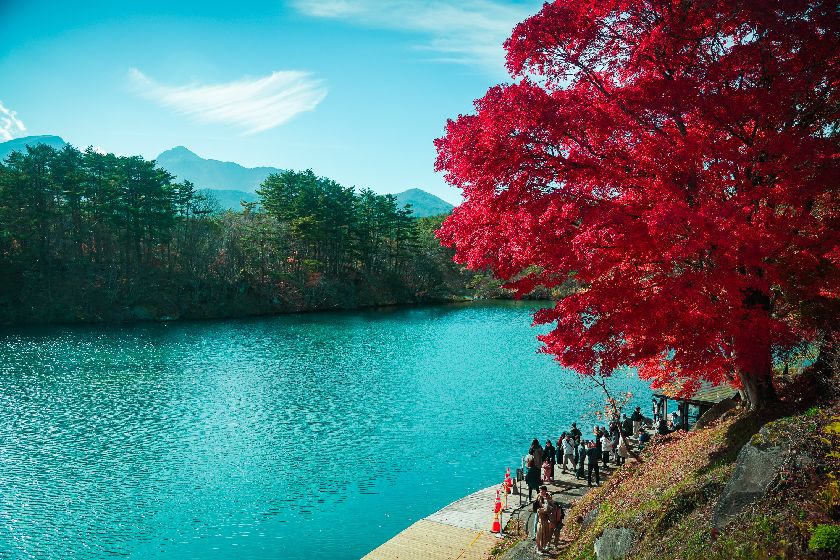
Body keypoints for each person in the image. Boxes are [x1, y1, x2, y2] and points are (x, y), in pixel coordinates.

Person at [534, 486, 554, 555]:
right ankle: (538, 548)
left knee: (545, 534)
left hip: (546, 519)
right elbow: (536, 507)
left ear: (545, 491)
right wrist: (542, 508)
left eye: (542, 491)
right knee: (539, 534)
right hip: (540, 518)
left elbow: (552, 507)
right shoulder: (538, 497)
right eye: (540, 491)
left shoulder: (549, 497)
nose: (541, 492)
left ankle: (543, 547)